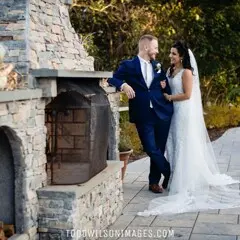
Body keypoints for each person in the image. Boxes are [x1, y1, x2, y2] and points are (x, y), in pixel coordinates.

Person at [138, 41, 240, 216]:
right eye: (170, 53)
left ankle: (185, 181)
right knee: (174, 144)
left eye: (174, 54)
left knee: (183, 143)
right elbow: (166, 84)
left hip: (183, 112)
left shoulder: (186, 72)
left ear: (182, 56)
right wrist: (163, 87)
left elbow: (187, 94)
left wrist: (169, 96)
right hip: (171, 113)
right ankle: (173, 177)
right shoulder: (170, 70)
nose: (170, 56)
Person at [108, 34, 173, 193]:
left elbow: (166, 89)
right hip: (143, 114)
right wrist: (123, 85)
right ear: (145, 47)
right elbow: (112, 79)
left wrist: (165, 86)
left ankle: (154, 182)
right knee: (150, 148)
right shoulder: (129, 65)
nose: (157, 51)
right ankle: (170, 172)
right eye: (155, 47)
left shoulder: (157, 65)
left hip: (162, 113)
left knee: (159, 148)